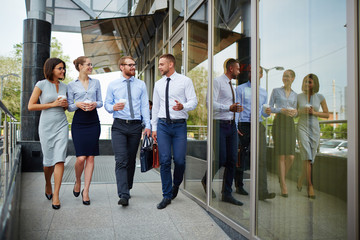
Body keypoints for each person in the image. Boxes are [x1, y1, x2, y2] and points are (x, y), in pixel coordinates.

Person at [152, 54, 198, 209]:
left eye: (161, 64)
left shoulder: (185, 81)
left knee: (179, 160)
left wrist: (182, 106)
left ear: (171, 64)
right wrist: (153, 128)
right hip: (163, 125)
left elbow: (194, 101)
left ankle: (176, 184)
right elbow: (156, 108)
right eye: (159, 64)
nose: (159, 67)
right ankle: (166, 195)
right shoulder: (158, 84)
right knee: (164, 160)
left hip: (179, 126)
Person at [105, 56, 151, 207]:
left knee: (131, 160)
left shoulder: (141, 85)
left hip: (136, 126)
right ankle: (123, 194)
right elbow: (107, 104)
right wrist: (113, 108)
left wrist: (148, 126)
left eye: (134, 65)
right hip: (119, 126)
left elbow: (145, 106)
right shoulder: (113, 85)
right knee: (121, 160)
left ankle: (128, 186)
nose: (133, 67)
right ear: (121, 67)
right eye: (129, 65)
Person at [201, 58, 243, 206]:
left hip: (231, 126)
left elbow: (232, 107)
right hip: (218, 124)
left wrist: (236, 123)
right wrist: (229, 108)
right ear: (231, 68)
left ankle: (226, 193)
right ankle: (206, 180)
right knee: (221, 158)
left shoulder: (232, 86)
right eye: (238, 68)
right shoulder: (217, 82)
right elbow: (209, 103)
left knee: (232, 159)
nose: (239, 71)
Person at [28, 58, 69, 210]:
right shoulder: (41, 84)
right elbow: (31, 106)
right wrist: (52, 104)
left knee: (60, 159)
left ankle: (56, 195)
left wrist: (65, 105)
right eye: (60, 68)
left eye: (63, 68)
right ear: (51, 69)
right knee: (48, 162)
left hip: (61, 124)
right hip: (46, 126)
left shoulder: (65, 86)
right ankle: (47, 183)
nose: (63, 71)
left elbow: (64, 107)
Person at [235, 66, 276, 201]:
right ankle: (239, 185)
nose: (252, 74)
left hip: (258, 125)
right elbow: (236, 108)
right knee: (242, 156)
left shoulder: (264, 92)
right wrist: (236, 126)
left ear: (261, 75)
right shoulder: (240, 89)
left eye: (256, 72)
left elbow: (263, 113)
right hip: (244, 124)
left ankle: (262, 191)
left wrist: (267, 113)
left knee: (262, 158)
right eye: (250, 72)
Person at [67, 56, 103, 205]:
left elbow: (101, 102)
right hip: (79, 122)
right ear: (80, 66)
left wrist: (95, 103)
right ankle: (77, 181)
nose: (90, 67)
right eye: (88, 64)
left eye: (91, 64)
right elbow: (69, 106)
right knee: (80, 158)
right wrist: (78, 104)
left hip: (93, 121)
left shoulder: (96, 82)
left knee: (91, 157)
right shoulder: (71, 85)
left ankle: (86, 190)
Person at [297, 74, 329, 199]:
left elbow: (326, 114)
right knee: (307, 157)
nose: (306, 84)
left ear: (314, 83)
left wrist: (314, 112)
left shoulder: (320, 97)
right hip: (302, 127)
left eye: (309, 82)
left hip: (315, 129)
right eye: (305, 81)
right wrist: (301, 111)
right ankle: (310, 186)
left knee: (311, 159)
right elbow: (294, 113)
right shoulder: (298, 97)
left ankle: (300, 179)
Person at [269, 69, 297, 197]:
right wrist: (281, 110)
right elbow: (269, 108)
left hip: (290, 123)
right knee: (281, 155)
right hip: (279, 122)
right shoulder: (276, 91)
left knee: (291, 156)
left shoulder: (295, 95)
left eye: (288, 76)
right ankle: (283, 185)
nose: (285, 78)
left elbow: (296, 111)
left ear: (293, 79)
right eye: (284, 76)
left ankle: (282, 177)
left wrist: (294, 113)